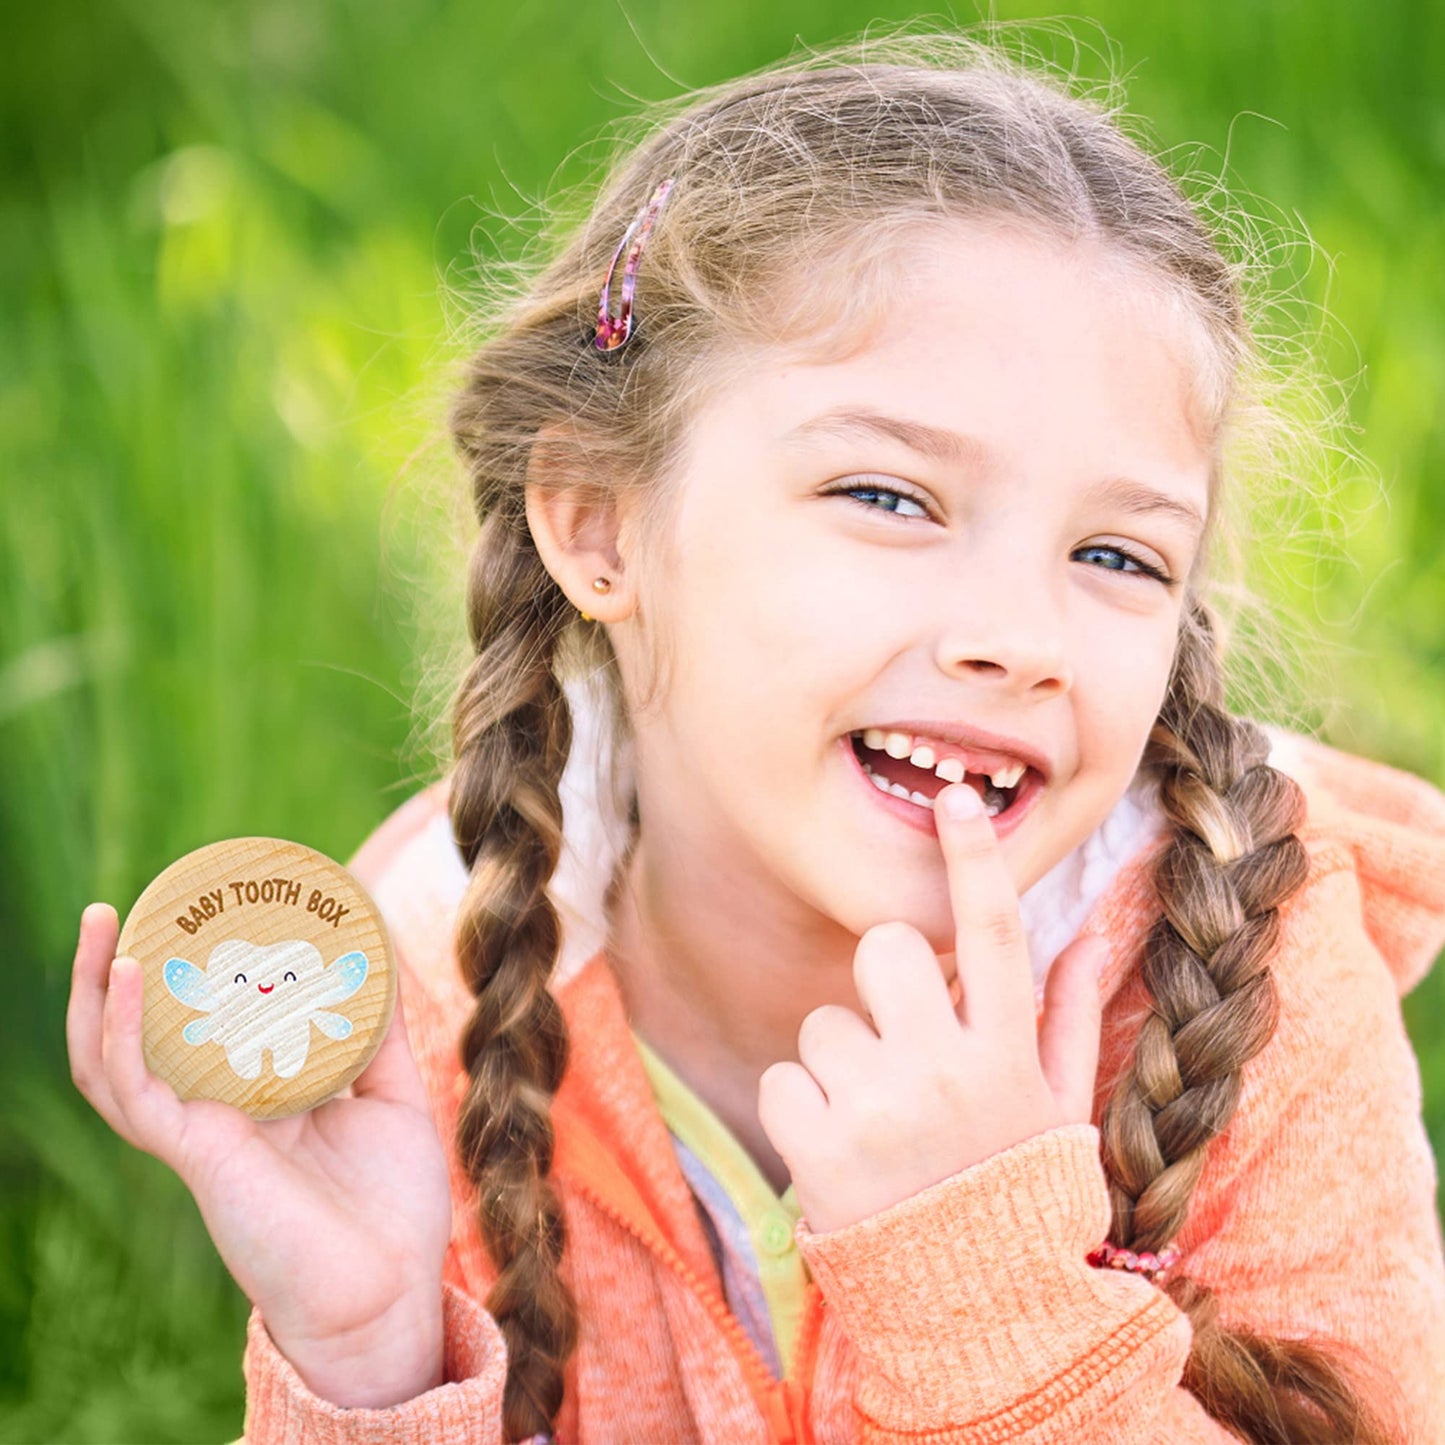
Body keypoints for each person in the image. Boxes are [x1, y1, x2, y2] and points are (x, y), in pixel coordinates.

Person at [66, 28, 1445, 1445]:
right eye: (888, 497)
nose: (1020, 636)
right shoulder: (440, 993)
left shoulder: (1253, 970)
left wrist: (988, 1292)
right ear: (601, 526)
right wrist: (373, 1362)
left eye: (1116, 555)